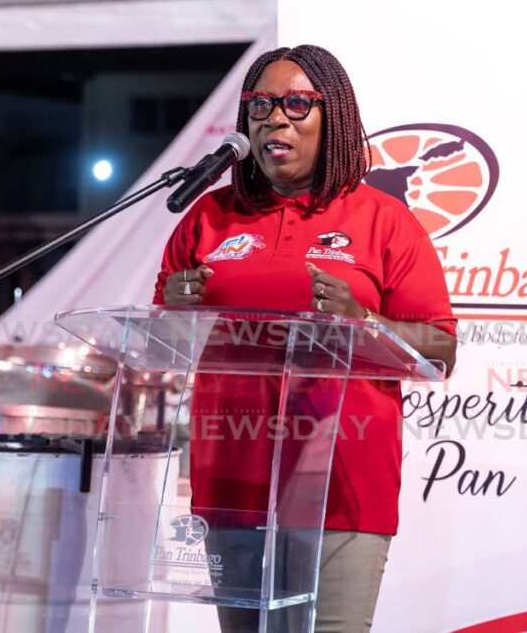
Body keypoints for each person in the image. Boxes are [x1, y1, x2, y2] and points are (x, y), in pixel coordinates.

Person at [153, 44, 457, 633]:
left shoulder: (382, 220)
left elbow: (440, 349)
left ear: (333, 118)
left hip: (343, 482)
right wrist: (174, 311)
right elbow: (161, 347)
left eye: (297, 103)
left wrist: (361, 318)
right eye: (261, 104)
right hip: (232, 479)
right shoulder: (207, 218)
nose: (275, 117)